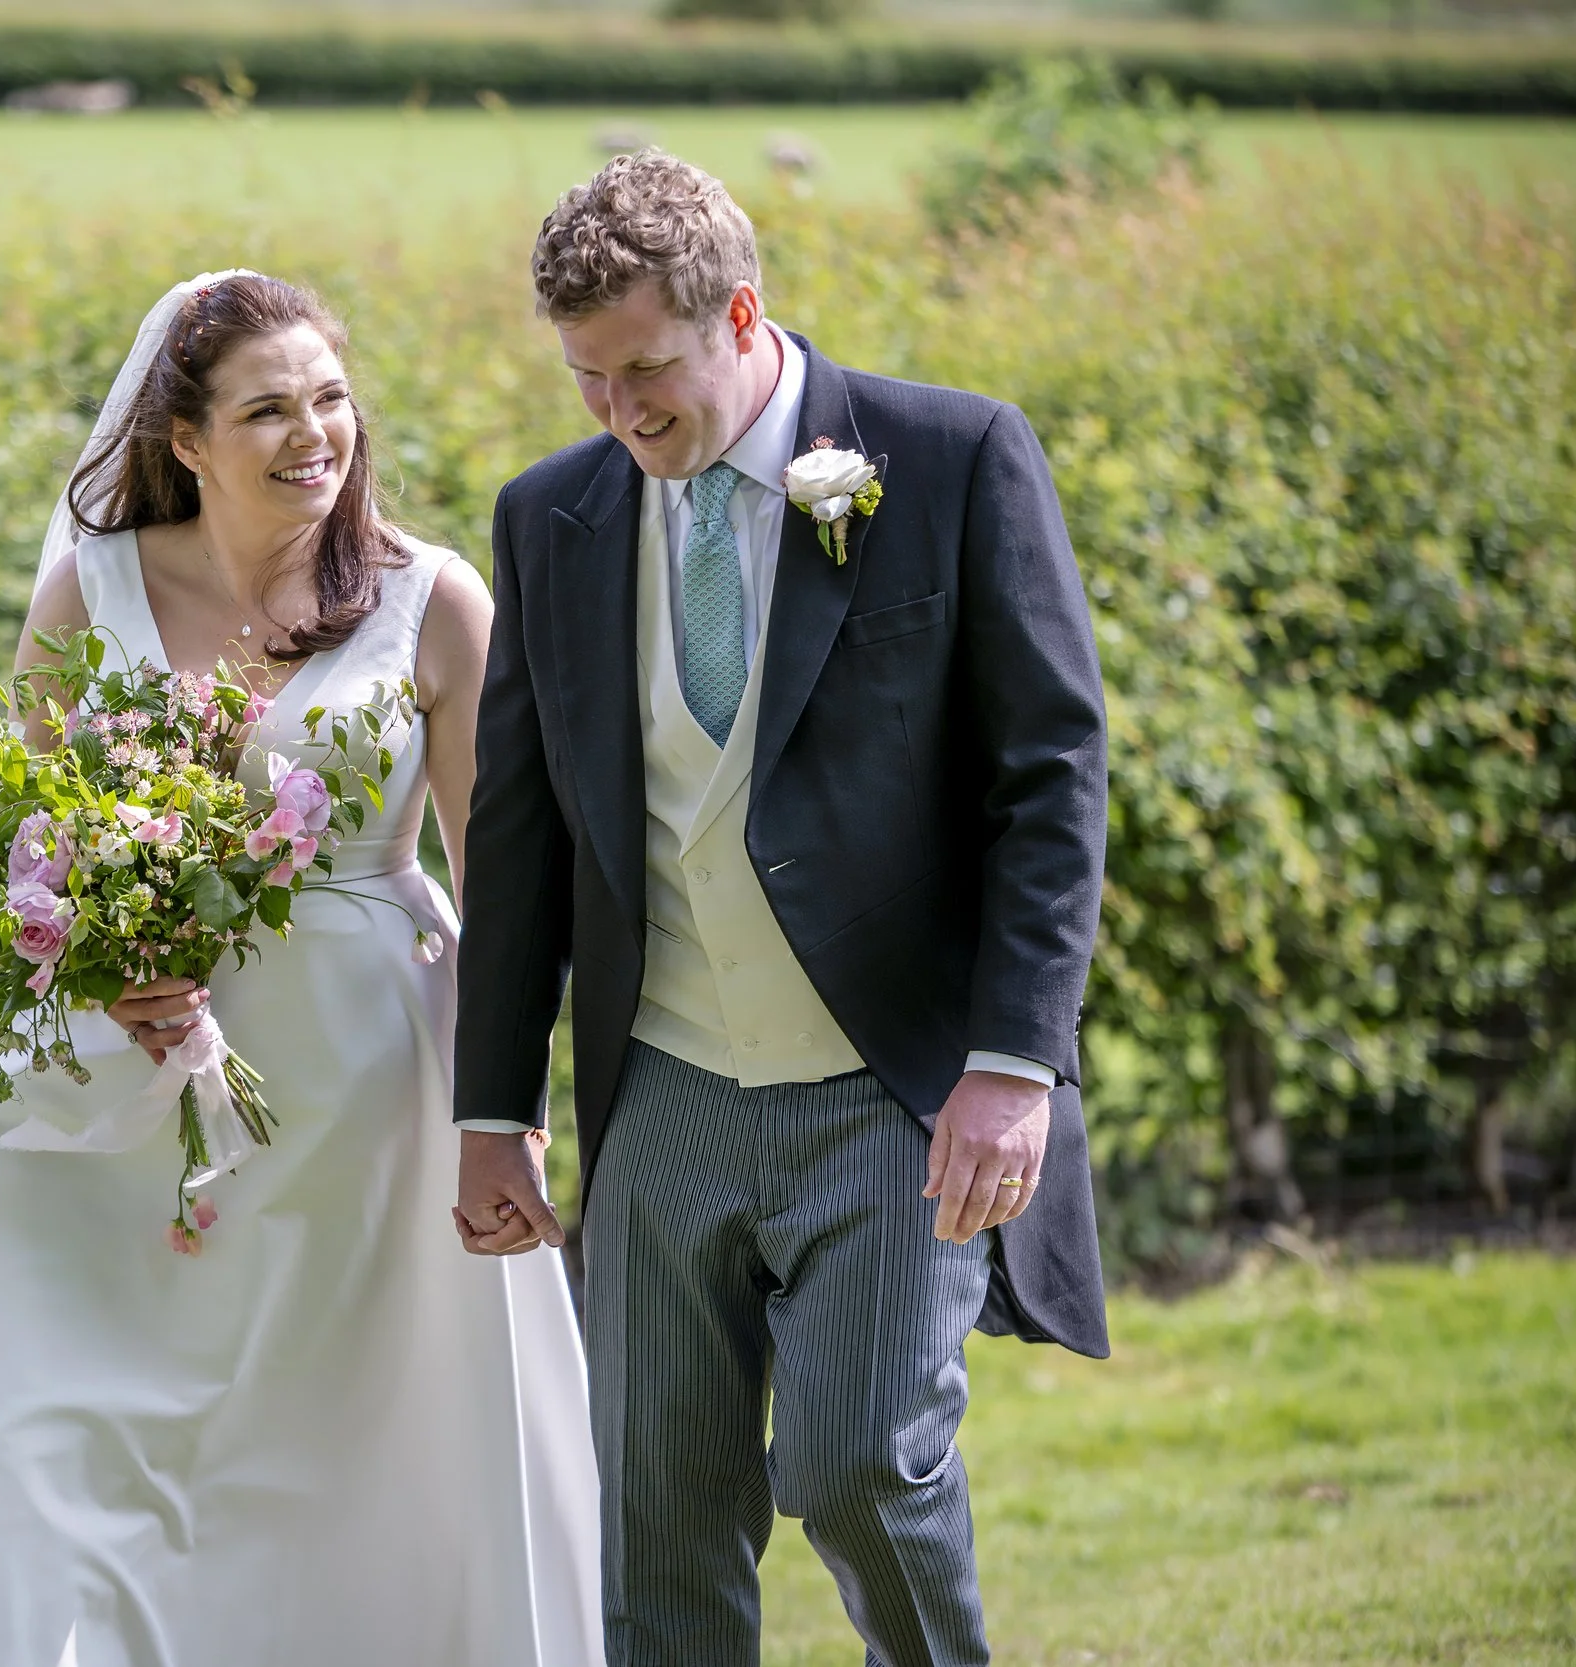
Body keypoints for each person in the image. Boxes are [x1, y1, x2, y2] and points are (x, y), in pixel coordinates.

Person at [0, 272, 604, 1667]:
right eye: (267, 407)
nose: (312, 434)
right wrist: (89, 968)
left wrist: (501, 1118)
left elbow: (507, 887)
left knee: (336, 1468)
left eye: (330, 399)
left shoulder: (432, 601)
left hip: (364, 1102)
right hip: (112, 1103)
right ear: (185, 439)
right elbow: (5, 855)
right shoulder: (89, 592)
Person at [450, 153, 1111, 1667]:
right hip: (666, 1088)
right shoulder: (548, 517)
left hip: (893, 1086)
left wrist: (1015, 1063)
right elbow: (521, 824)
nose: (621, 414)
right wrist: (494, 1104)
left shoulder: (949, 458)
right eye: (586, 379)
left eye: (647, 370)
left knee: (861, 1461)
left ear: (741, 314)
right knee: (657, 1521)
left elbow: (1050, 779)